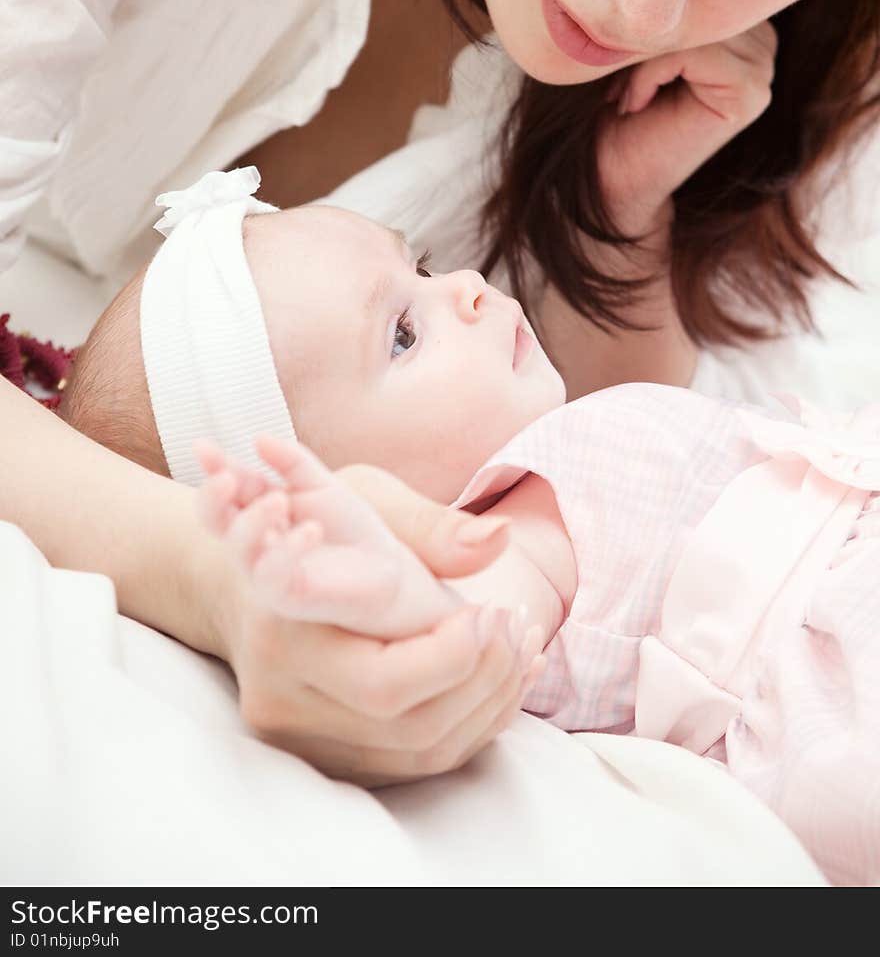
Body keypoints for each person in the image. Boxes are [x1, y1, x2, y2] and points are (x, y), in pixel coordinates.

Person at [3, 0, 880, 783]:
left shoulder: (770, 70)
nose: (657, 3)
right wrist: (209, 574)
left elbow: (645, 469)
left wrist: (627, 223)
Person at [59, 168, 880, 886]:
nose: (467, 287)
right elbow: (463, 629)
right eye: (404, 335)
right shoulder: (513, 533)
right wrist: (353, 583)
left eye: (418, 265)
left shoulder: (562, 450)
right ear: (355, 499)